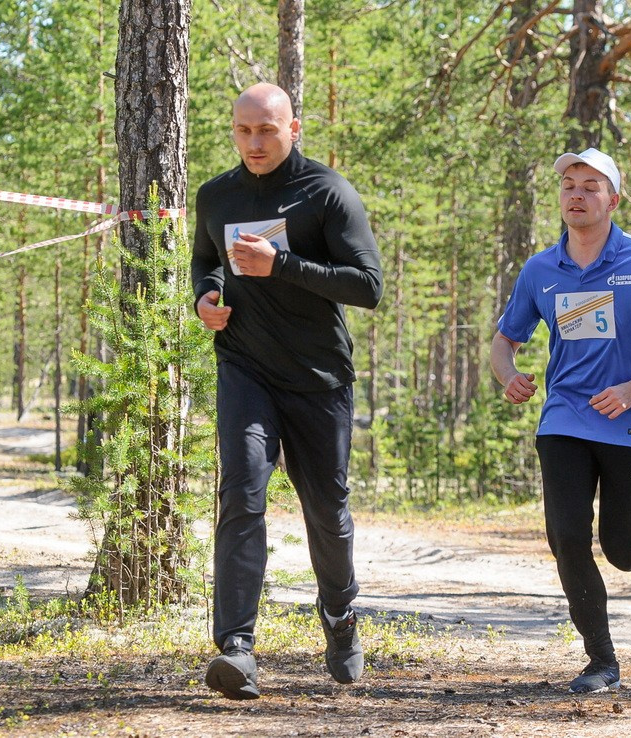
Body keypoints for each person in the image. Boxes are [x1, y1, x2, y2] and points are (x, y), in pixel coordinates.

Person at [191, 82, 384, 700]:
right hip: (245, 368)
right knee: (242, 492)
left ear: (293, 128)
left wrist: (283, 266)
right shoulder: (216, 195)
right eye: (243, 131)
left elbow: (369, 285)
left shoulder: (327, 192)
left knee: (326, 511)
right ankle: (237, 649)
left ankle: (339, 617)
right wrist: (206, 297)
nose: (254, 143)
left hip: (318, 377)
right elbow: (208, 261)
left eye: (266, 130)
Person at [489, 148, 631, 694]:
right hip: (564, 418)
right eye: (569, 185)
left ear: (613, 197)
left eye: (591, 185)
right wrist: (507, 374)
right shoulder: (541, 270)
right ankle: (601, 661)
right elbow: (503, 341)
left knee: (617, 545)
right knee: (566, 537)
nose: (577, 194)